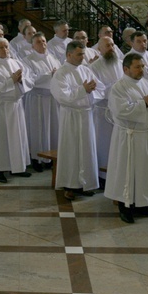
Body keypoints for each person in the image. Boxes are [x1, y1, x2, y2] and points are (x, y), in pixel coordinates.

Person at [104, 53, 148, 223]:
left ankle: (143, 204)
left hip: (145, 135)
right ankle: (125, 206)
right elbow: (121, 110)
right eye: (137, 67)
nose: (141, 70)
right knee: (125, 171)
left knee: (145, 170)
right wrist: (144, 103)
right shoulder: (119, 87)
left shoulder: (147, 83)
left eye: (143, 66)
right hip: (127, 136)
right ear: (126, 68)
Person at [51, 40, 104, 200]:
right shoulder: (61, 73)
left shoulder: (86, 70)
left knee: (86, 149)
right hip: (71, 116)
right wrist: (83, 90)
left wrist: (90, 93)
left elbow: (100, 89)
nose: (82, 57)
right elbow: (62, 96)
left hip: (86, 114)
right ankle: (70, 185)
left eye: (83, 54)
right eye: (79, 54)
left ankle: (86, 183)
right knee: (71, 149)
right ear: (69, 54)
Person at [0, 37, 31, 182]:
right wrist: (11, 81)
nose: (5, 50)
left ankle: (17, 166)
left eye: (6, 47)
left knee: (18, 136)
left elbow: (29, 79)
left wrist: (22, 80)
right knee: (1, 138)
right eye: (1, 47)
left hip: (16, 105)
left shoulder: (16, 63)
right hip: (1, 106)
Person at [23, 32, 61, 171]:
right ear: (32, 46)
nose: (43, 44)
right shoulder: (28, 60)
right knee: (37, 128)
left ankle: (50, 157)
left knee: (52, 128)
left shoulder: (53, 58)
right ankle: (36, 158)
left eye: (44, 41)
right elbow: (29, 79)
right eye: (38, 42)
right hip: (37, 99)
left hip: (51, 98)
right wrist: (49, 75)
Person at [89, 37, 122, 179]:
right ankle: (102, 175)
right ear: (99, 49)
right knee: (104, 143)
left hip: (120, 110)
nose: (111, 48)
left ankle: (117, 173)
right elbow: (97, 90)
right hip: (103, 110)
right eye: (107, 45)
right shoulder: (94, 67)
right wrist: (116, 87)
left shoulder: (121, 63)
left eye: (112, 45)